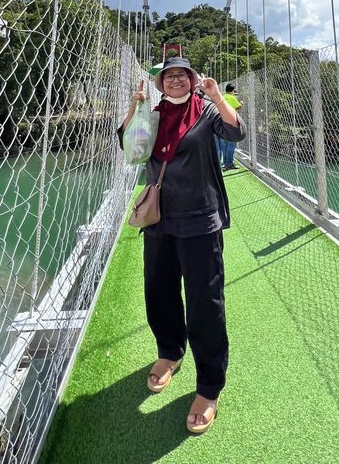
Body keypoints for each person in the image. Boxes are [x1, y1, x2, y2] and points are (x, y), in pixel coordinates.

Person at [119, 57, 246, 434]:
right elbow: (128, 146)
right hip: (159, 219)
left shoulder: (206, 112)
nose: (175, 80)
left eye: (182, 75)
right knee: (158, 291)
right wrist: (135, 107)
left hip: (200, 220)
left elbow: (237, 133)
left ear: (192, 81)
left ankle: (209, 387)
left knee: (205, 302)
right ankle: (170, 352)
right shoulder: (153, 114)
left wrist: (216, 96)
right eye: (168, 76)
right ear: (160, 83)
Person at [217, 84, 242, 170]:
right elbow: (238, 107)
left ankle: (225, 162)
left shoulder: (222, 97)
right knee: (231, 144)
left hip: (222, 123)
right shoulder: (232, 98)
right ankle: (229, 163)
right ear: (232, 90)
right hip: (231, 123)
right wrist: (241, 103)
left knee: (224, 144)